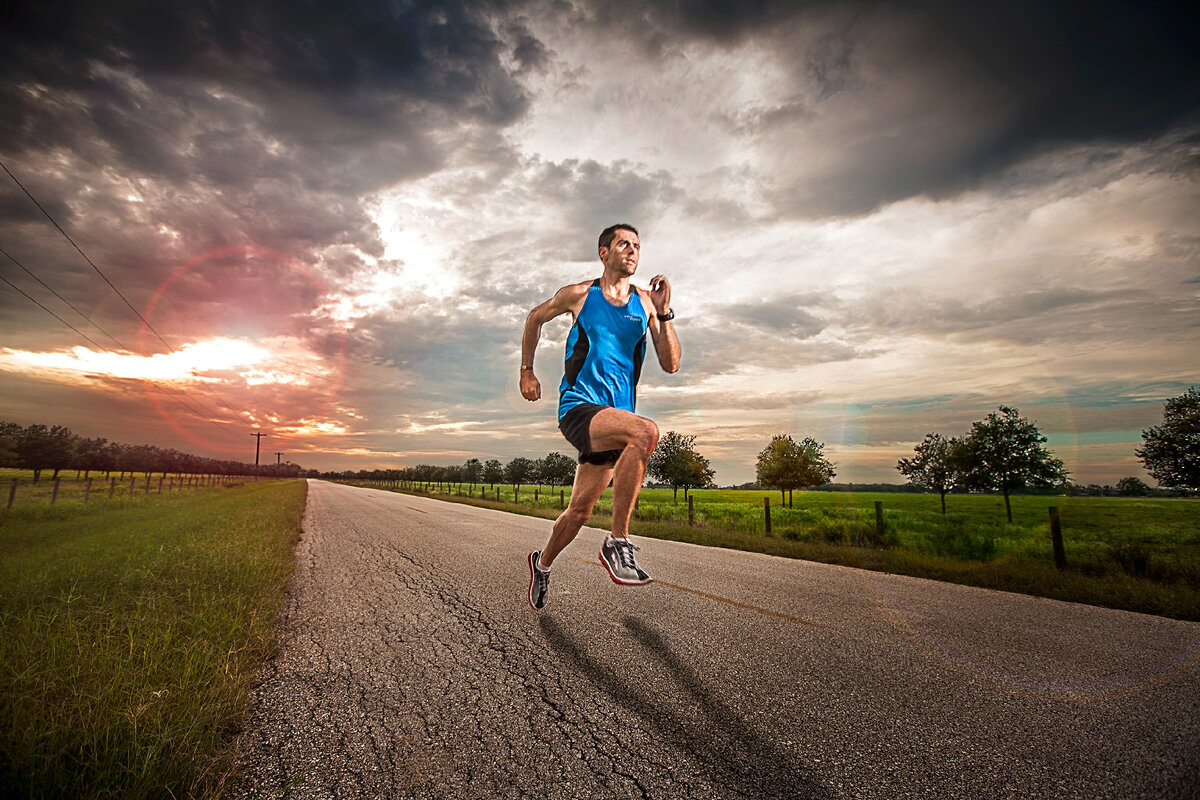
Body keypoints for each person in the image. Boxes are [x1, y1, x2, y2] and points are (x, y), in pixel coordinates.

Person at [520, 223, 681, 610]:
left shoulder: (645, 304)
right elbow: (534, 318)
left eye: (637, 246)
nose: (632, 251)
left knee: (579, 510)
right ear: (604, 252)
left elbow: (671, 363)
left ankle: (541, 566)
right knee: (645, 434)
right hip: (578, 406)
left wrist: (665, 312)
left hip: (615, 419)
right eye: (623, 244)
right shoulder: (579, 295)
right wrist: (527, 370)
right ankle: (618, 543)